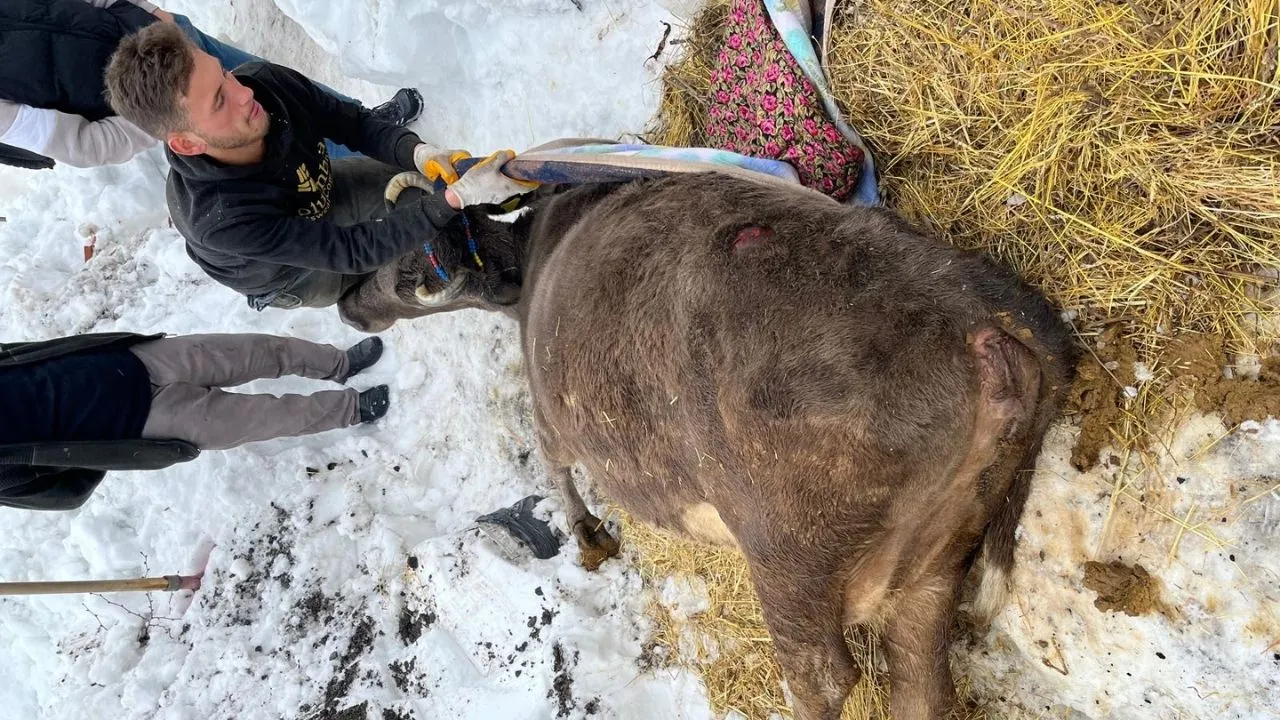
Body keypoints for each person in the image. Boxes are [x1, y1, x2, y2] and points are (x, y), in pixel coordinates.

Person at [104, 21, 537, 315]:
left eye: (224, 76)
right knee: (383, 276)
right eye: (218, 101)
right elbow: (349, 250)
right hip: (290, 270)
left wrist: (417, 153)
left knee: (418, 191)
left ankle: (489, 218)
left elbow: (351, 121)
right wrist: (455, 198)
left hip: (316, 191)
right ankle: (394, 302)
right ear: (186, 142)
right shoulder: (219, 219)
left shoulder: (263, 85)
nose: (242, 94)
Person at [0, 0, 422, 169]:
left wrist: (146, 12)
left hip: (172, 38)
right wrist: (164, 118)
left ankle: (368, 123)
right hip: (175, 106)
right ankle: (368, 167)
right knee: (276, 134)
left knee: (278, 84)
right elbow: (83, 146)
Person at [0, 332, 390, 511]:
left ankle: (338, 363)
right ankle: (351, 409)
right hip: (147, 424)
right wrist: (102, 449)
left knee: (257, 351)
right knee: (268, 417)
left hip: (129, 360)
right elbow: (66, 493)